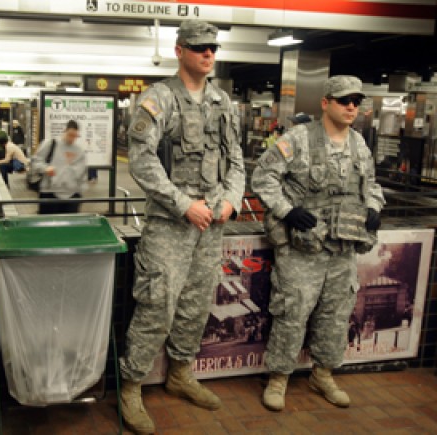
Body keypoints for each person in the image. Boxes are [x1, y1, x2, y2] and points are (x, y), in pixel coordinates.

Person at [119, 20, 245, 434]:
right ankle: (131, 385)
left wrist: (231, 199)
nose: (208, 54)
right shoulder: (158, 99)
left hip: (211, 224)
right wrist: (182, 204)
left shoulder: (222, 102)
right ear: (179, 51)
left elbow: (237, 160)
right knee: (157, 303)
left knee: (196, 303)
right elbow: (142, 161)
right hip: (170, 224)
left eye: (212, 48)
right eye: (198, 48)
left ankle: (180, 373)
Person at [251, 75, 385, 412]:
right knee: (292, 312)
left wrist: (373, 207)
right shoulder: (297, 139)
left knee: (336, 315)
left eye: (356, 100)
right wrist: (287, 210)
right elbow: (262, 177)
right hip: (302, 248)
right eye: (344, 100)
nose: (352, 106)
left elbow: (371, 184)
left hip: (343, 247)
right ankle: (279, 377)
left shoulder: (359, 144)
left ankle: (322, 373)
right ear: (325, 103)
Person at [31, 120, 87, 214]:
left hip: (72, 194)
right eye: (70, 135)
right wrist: (45, 168)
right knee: (49, 225)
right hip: (49, 192)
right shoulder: (50, 144)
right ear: (64, 131)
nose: (72, 138)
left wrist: (81, 191)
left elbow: (82, 173)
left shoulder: (79, 151)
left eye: (75, 136)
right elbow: (35, 161)